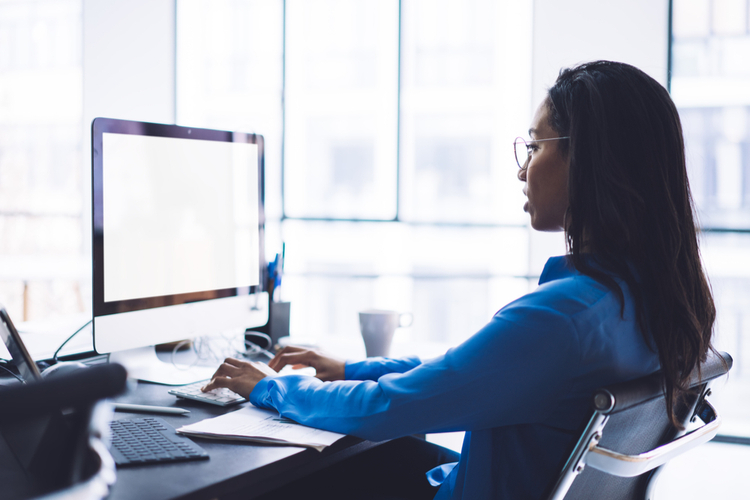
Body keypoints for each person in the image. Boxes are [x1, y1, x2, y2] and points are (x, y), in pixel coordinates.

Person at [202, 60, 717, 499]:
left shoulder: (564, 319)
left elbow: (392, 407)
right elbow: (470, 372)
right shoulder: (649, 302)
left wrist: (273, 388)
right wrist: (352, 367)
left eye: (535, 147)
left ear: (590, 159)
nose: (522, 170)